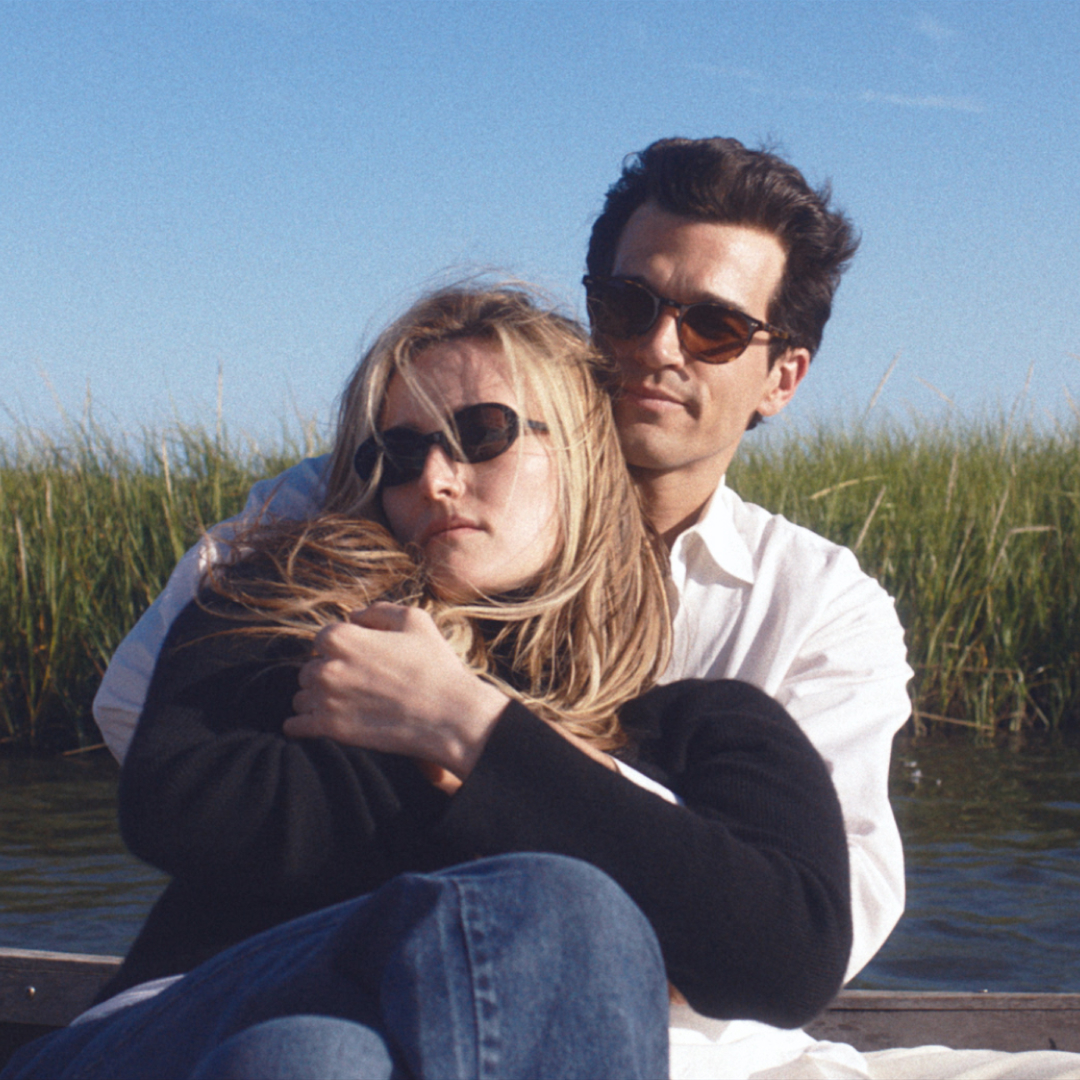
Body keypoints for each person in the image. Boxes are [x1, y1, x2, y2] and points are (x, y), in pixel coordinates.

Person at [4, 287, 853, 1080]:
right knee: (559, 905)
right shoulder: (294, 611)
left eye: (483, 434)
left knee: (315, 1059)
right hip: (166, 1023)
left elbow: (788, 958)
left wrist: (467, 727)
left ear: (585, 454)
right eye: (401, 452)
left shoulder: (707, 728)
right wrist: (527, 797)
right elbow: (182, 802)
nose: (435, 479)